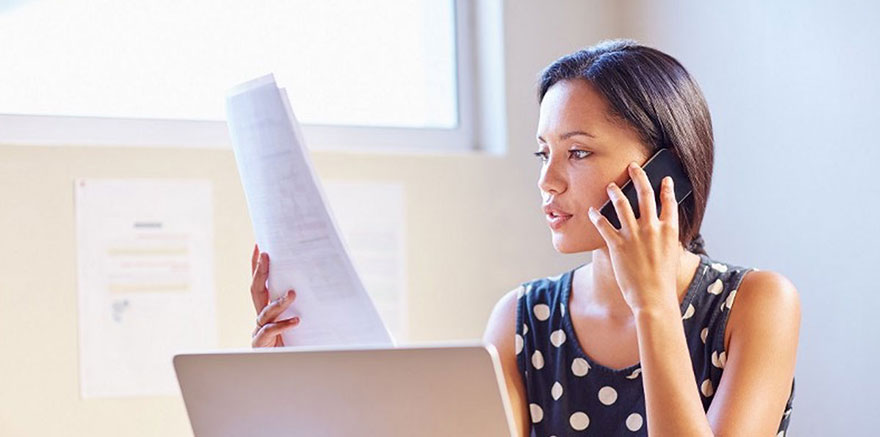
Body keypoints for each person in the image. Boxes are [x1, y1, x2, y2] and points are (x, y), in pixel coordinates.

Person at [248, 39, 800, 436]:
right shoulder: (522, 320)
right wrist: (293, 383)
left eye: (577, 152)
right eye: (544, 153)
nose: (547, 180)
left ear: (665, 173)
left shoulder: (757, 304)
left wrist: (653, 305)